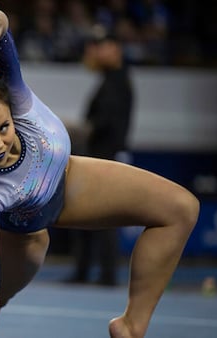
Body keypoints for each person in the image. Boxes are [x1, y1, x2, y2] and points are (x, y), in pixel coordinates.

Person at [0, 7, 199, 338]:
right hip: (27, 232)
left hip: (71, 179)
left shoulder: (16, 94)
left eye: (3, 128)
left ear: (11, 110)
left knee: (181, 209)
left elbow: (1, 27)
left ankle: (130, 327)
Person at [65, 24, 134, 286]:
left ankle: (104, 274)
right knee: (88, 217)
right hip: (100, 158)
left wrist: (77, 129)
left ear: (114, 49)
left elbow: (104, 124)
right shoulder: (112, 79)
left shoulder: (117, 81)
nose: (93, 52)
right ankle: (86, 272)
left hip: (105, 159)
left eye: (99, 46)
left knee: (103, 220)